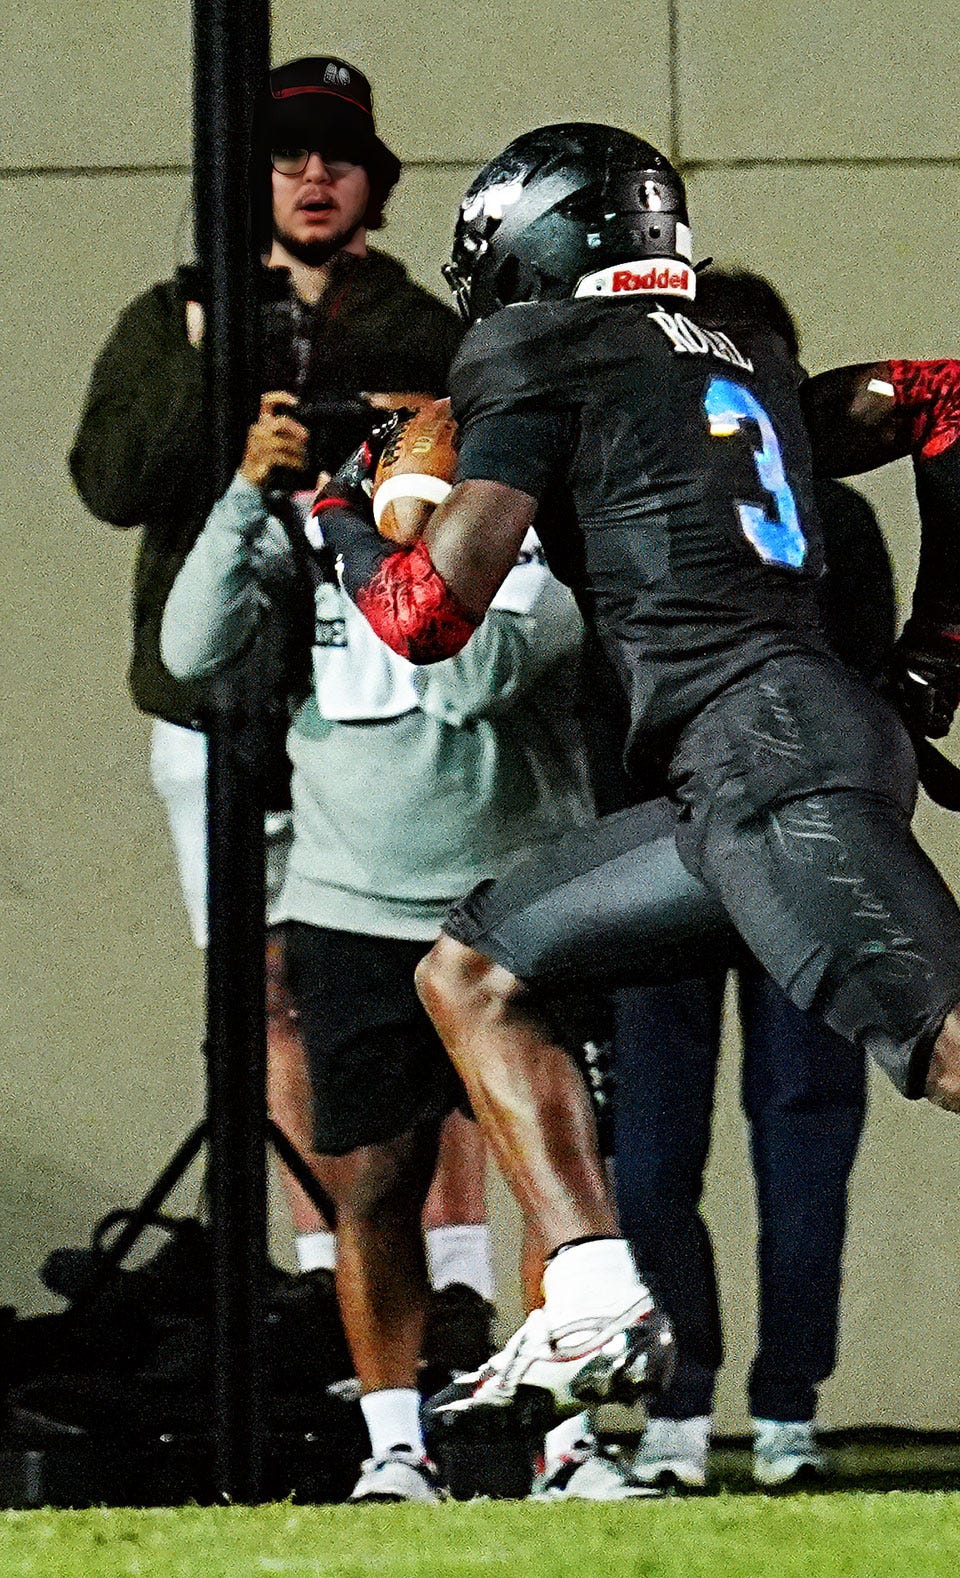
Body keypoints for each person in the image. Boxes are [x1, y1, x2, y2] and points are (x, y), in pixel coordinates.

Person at [309, 126, 960, 1460]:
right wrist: (937, 637)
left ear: (536, 248)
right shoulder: (731, 346)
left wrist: (398, 493)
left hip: (760, 755)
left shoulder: (536, 351)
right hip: (773, 749)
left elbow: (422, 618)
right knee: (474, 965)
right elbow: (957, 399)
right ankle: (591, 1283)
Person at [66, 55, 489, 1302]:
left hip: (377, 704)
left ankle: (451, 1279)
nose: (312, 178)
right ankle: (322, 1275)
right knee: (261, 987)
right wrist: (218, 381)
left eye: (337, 157)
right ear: (240, 182)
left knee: (418, 980)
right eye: (285, 155)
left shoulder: (424, 328)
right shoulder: (177, 317)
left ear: (377, 184)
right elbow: (109, 483)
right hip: (213, 702)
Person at [161, 410, 592, 1501]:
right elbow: (188, 652)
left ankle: (566, 1440)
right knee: (375, 1182)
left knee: (557, 1184)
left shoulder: (536, 550)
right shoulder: (314, 537)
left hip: (513, 908)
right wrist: (246, 504)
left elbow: (460, 678)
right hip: (351, 905)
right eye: (399, 441)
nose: (418, 455)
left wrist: (385, 541)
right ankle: (394, 1444)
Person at [541, 271, 892, 1500]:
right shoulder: (827, 520)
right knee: (760, 1140)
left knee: (709, 1147)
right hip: (780, 847)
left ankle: (728, 1402)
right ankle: (751, 1408)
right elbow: (879, 694)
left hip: (672, 845)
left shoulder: (625, 502)